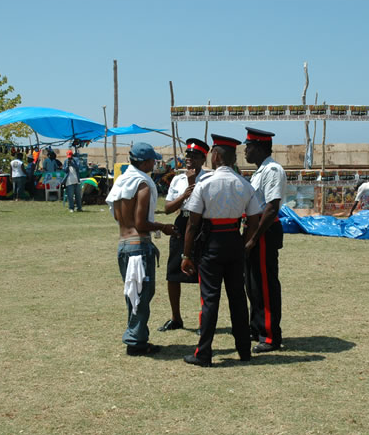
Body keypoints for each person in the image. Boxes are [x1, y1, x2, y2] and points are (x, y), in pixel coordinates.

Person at [180, 134, 262, 367]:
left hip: (211, 244)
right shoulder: (243, 184)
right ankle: (244, 351)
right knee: (237, 298)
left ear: (215, 156)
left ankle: (203, 353)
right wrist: (246, 243)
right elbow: (254, 219)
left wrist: (186, 255)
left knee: (210, 300)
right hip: (234, 242)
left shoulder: (205, 184)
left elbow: (193, 223)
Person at [105, 142, 178, 357]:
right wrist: (163, 227)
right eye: (152, 161)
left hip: (124, 244)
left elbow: (119, 217)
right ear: (145, 161)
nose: (154, 164)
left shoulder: (122, 181)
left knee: (133, 294)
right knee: (141, 295)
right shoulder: (142, 185)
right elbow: (141, 223)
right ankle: (136, 341)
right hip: (138, 246)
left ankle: (137, 337)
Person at [158, 138, 210, 332]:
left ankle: (203, 320)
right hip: (182, 222)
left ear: (203, 159)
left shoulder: (208, 179)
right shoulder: (178, 180)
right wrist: (184, 195)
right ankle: (176, 318)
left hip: (201, 225)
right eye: (188, 155)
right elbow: (167, 209)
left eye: (195, 156)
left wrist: (194, 186)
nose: (189, 160)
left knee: (203, 274)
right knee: (173, 273)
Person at [243, 127, 287, 354]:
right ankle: (257, 327)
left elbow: (271, 208)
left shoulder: (272, 170)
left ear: (260, 147)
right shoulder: (260, 171)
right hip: (254, 229)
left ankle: (270, 336)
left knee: (266, 286)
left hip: (264, 230)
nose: (245, 151)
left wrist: (254, 238)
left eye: (248, 147)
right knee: (252, 284)